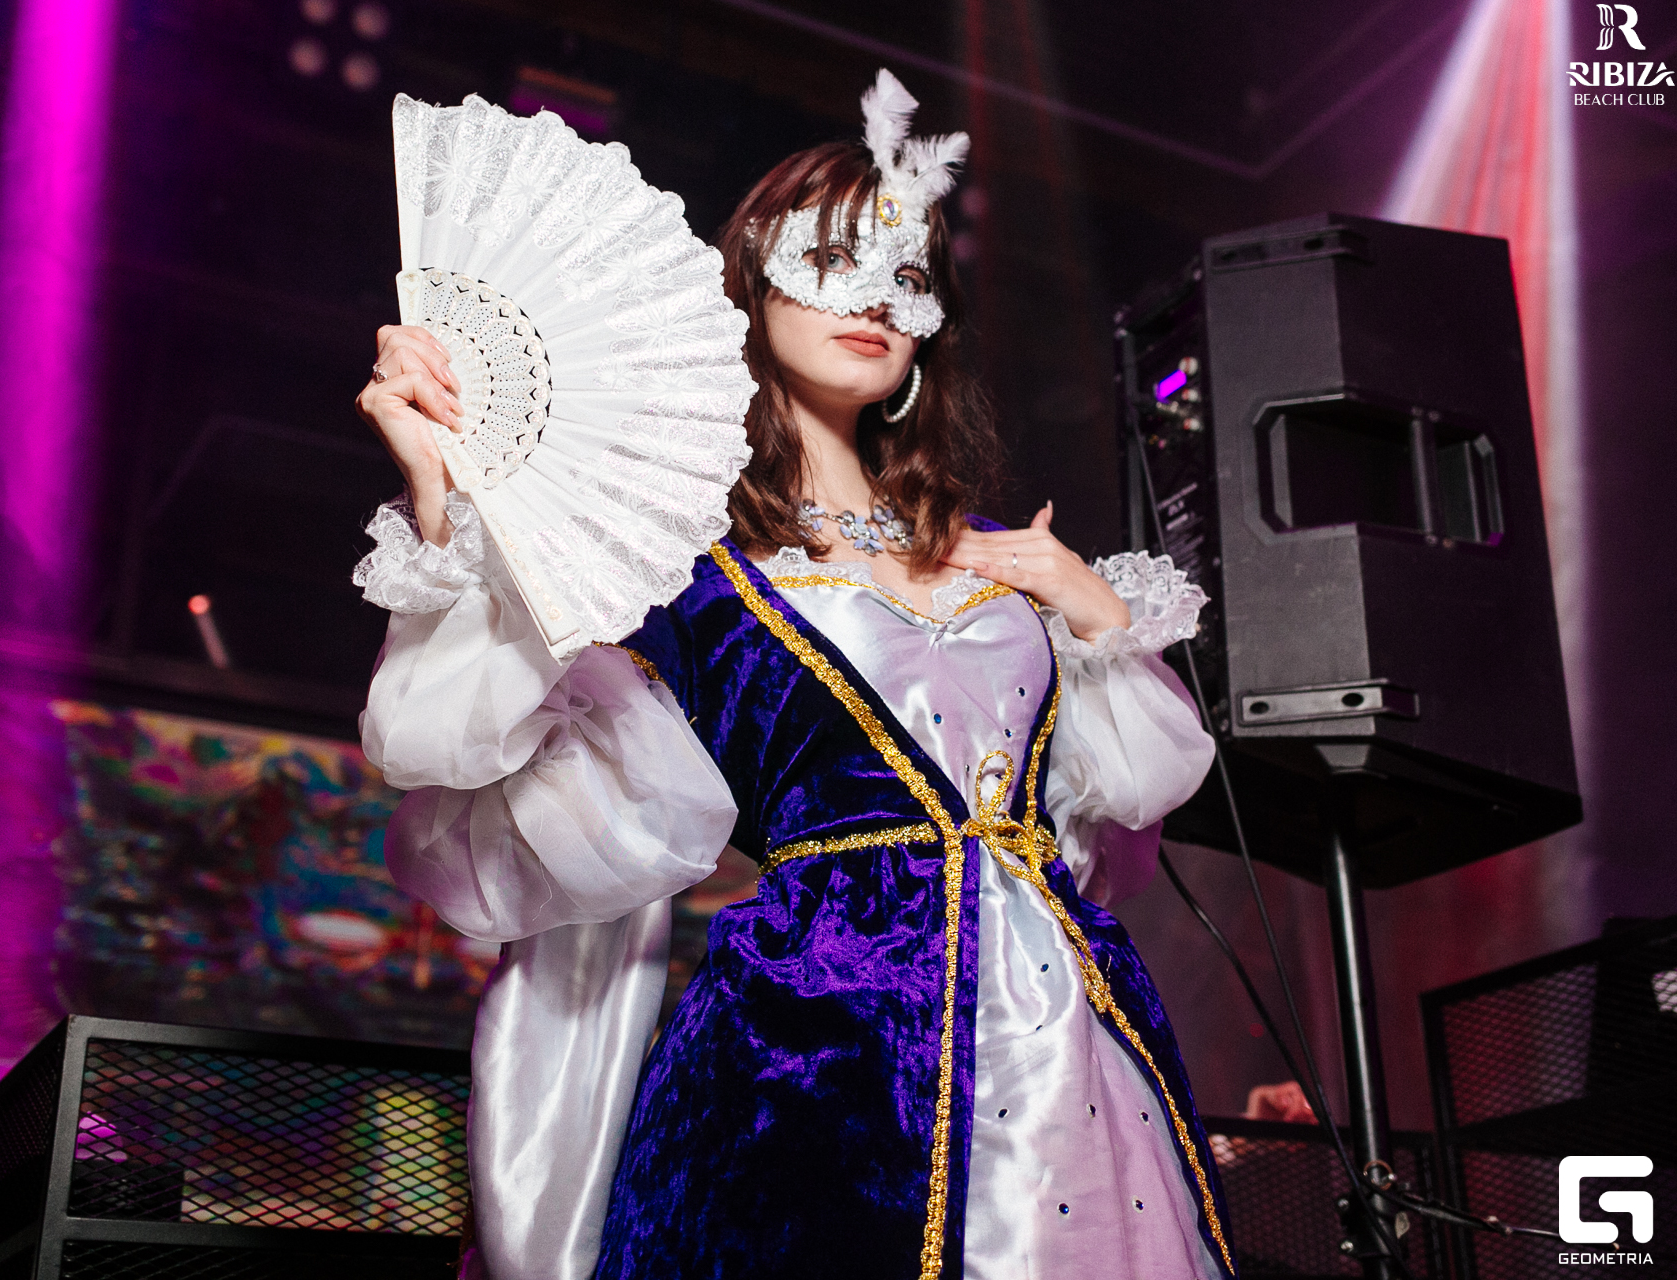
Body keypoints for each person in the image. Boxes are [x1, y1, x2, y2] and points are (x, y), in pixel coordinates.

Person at [353, 69, 1229, 1280]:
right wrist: (448, 501)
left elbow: (1120, 810)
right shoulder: (685, 576)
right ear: (753, 290)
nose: (871, 293)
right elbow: (504, 793)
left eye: (906, 272)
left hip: (1072, 1038)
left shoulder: (1007, 559)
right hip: (814, 1050)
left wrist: (1093, 613)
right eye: (827, 259)